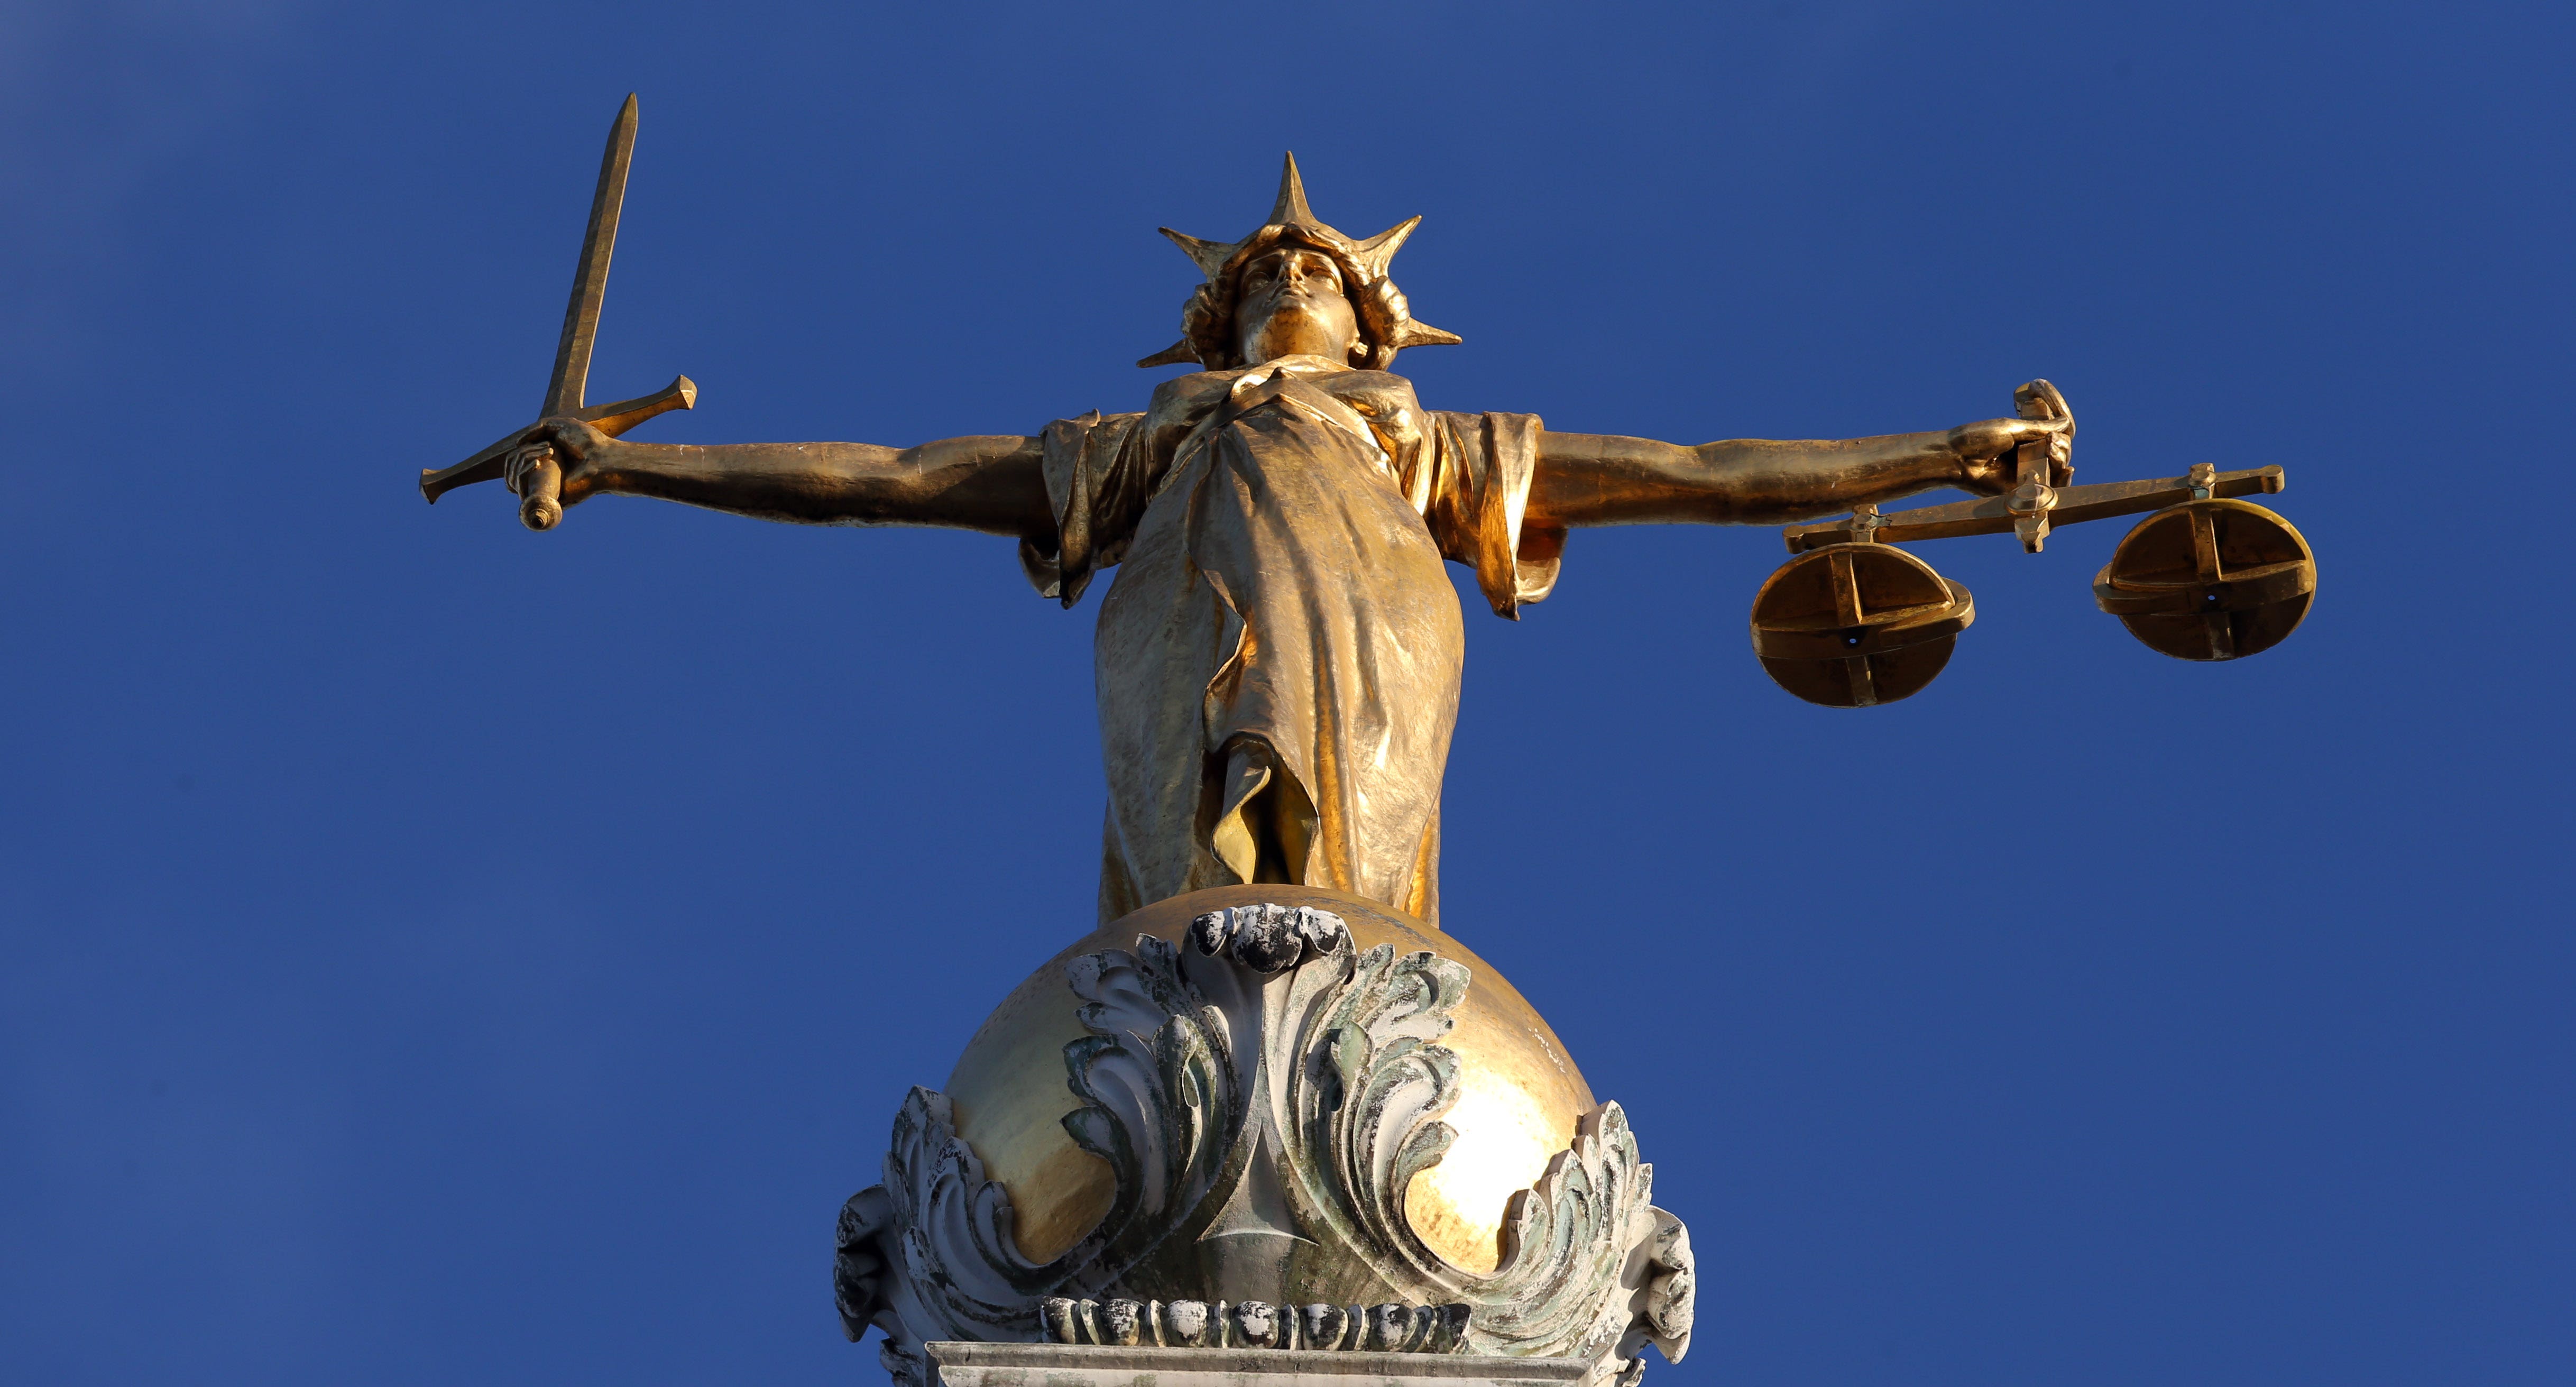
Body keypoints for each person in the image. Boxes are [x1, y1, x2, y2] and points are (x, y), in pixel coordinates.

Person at [507, 158, 2067, 927]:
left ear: (1376, 323)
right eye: (1261, 278)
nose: (1286, 282)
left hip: (1376, 623)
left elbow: (1694, 467)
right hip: (1179, 630)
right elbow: (896, 477)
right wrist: (645, 474)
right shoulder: (1146, 445)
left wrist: (1942, 452)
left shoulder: (1418, 441)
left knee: (1348, 909)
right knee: (1192, 892)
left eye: (1313, 273)